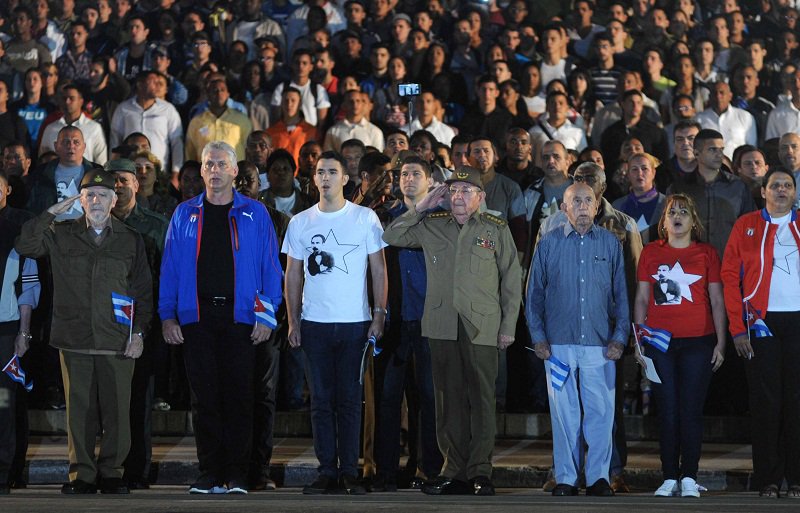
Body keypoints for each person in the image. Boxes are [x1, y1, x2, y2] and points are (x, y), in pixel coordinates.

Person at [383, 166, 522, 496]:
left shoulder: (495, 229)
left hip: (482, 326)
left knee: (482, 400)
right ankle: (454, 469)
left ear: (480, 197)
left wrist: (508, 327)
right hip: (442, 324)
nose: (459, 197)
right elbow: (391, 236)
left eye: (466, 191)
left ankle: (480, 471)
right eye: (454, 191)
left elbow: (512, 281)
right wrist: (422, 206)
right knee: (448, 401)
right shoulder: (433, 225)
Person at [15, 168, 153, 494]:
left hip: (116, 340)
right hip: (74, 339)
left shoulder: (131, 239)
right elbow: (25, 243)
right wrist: (53, 211)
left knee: (118, 413)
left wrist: (139, 335)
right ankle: (83, 475)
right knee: (79, 415)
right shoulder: (62, 233)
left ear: (114, 199)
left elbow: (143, 292)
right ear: (81, 198)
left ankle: (113, 473)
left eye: (103, 195)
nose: (96, 200)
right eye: (89, 194)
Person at [159, 141, 282, 494]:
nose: (214, 170)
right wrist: (168, 316)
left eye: (221, 164)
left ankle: (239, 474)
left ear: (234, 172)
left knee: (241, 398)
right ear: (201, 171)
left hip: (242, 319)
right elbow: (168, 270)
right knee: (204, 399)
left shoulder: (256, 214)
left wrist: (266, 317)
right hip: (196, 319)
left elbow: (270, 270)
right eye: (208, 164)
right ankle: (210, 472)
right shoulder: (184, 213)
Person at [283, 151, 388, 495]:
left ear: (346, 179)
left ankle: (349, 471)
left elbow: (379, 270)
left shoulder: (365, 218)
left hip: (355, 324)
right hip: (314, 324)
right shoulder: (300, 222)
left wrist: (378, 314)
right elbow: (293, 275)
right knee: (321, 400)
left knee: (349, 399)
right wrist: (293, 320)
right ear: (313, 179)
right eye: (320, 172)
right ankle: (326, 470)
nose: (326, 177)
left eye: (333, 172)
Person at [527, 182, 629, 497]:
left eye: (588, 200)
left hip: (600, 344)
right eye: (576, 200)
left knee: (601, 413)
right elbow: (533, 295)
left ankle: (599, 477)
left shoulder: (611, 244)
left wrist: (620, 337)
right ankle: (567, 478)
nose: (582, 205)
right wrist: (539, 337)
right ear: (564, 208)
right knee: (564, 415)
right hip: (558, 344)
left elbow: (622, 295)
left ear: (597, 206)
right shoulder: (548, 244)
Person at [633, 193, 726, 498]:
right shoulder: (650, 252)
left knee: (690, 410)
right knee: (668, 410)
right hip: (660, 343)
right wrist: (639, 340)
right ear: (664, 220)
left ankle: (689, 475)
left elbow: (715, 300)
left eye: (684, 212)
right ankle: (669, 475)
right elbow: (643, 299)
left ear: (693, 220)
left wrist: (721, 343)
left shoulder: (707, 253)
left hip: (699, 341)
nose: (678, 216)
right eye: (672, 212)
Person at [720, 168, 800, 499]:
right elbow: (728, 277)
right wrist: (738, 329)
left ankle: (796, 479)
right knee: (766, 404)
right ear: (763, 192)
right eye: (775, 185)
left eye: (788, 185)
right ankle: (768, 478)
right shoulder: (746, 225)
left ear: (795, 193)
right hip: (761, 325)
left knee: (797, 402)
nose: (781, 190)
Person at [375, 156, 442, 491]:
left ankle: (428, 469)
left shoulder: (442, 218)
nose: (409, 179)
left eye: (417, 174)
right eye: (404, 174)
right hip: (395, 319)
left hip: (430, 318)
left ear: (430, 181)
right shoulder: (386, 216)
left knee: (429, 398)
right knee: (389, 398)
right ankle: (385, 471)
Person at [106, 158, 168, 490]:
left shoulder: (156, 225)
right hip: (104, 323)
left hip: (143, 322)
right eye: (113, 179)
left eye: (124, 179)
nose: (118, 185)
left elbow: (167, 274)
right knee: (108, 400)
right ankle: (109, 465)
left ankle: (137, 469)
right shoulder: (94, 222)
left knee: (139, 399)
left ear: (136, 184)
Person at [0, 170, 39, 496]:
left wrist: (24, 332)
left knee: (5, 404)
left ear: (8, 189)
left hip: (6, 332)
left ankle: (6, 472)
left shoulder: (20, 225)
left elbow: (30, 282)